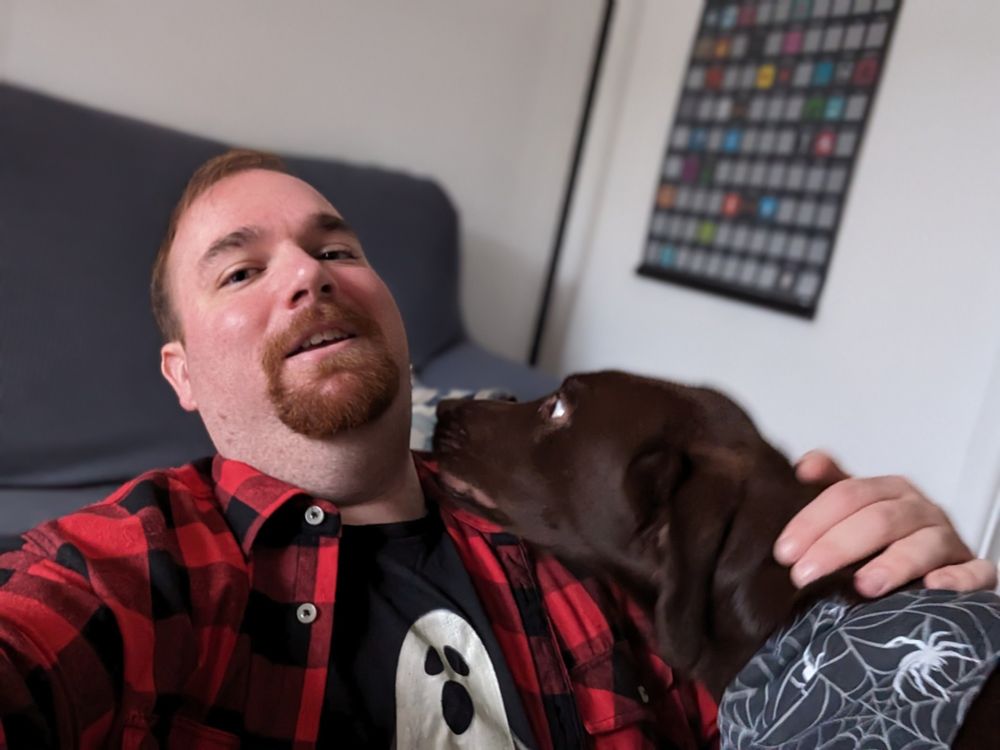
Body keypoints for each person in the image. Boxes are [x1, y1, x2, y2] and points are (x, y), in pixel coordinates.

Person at [0, 150, 993, 749]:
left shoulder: (575, 529)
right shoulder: (135, 563)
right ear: (180, 375)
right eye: (242, 271)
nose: (308, 272)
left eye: (335, 248)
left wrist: (891, 615)